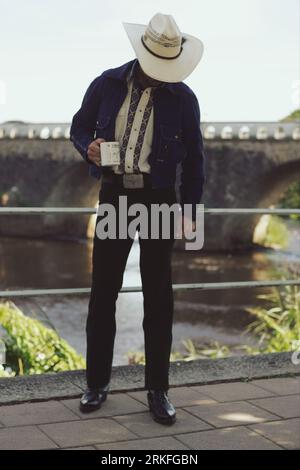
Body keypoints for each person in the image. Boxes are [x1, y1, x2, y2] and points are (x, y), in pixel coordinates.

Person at [70, 12, 206, 425]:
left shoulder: (184, 98)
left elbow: (196, 161)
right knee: (103, 291)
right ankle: (96, 384)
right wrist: (88, 148)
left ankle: (158, 390)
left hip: (160, 200)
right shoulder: (107, 83)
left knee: (159, 296)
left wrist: (191, 212)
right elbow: (77, 128)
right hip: (114, 197)